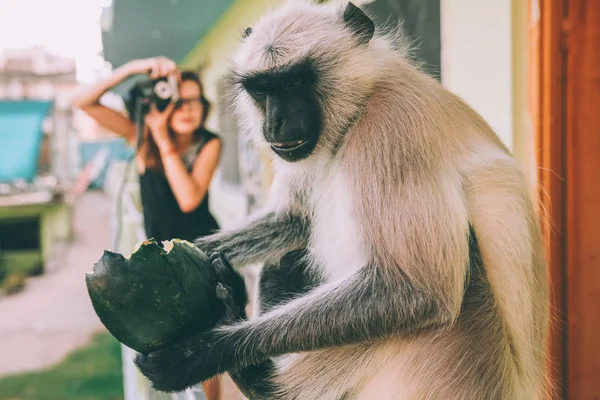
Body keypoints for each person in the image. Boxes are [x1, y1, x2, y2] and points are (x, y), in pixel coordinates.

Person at [73, 56, 223, 400]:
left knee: (210, 348)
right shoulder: (142, 138)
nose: (188, 109)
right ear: (161, 102)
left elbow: (189, 198)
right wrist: (134, 69)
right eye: (177, 100)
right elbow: (82, 102)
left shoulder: (209, 142)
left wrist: (163, 140)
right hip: (161, 263)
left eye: (195, 101)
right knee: (169, 346)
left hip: (203, 256)